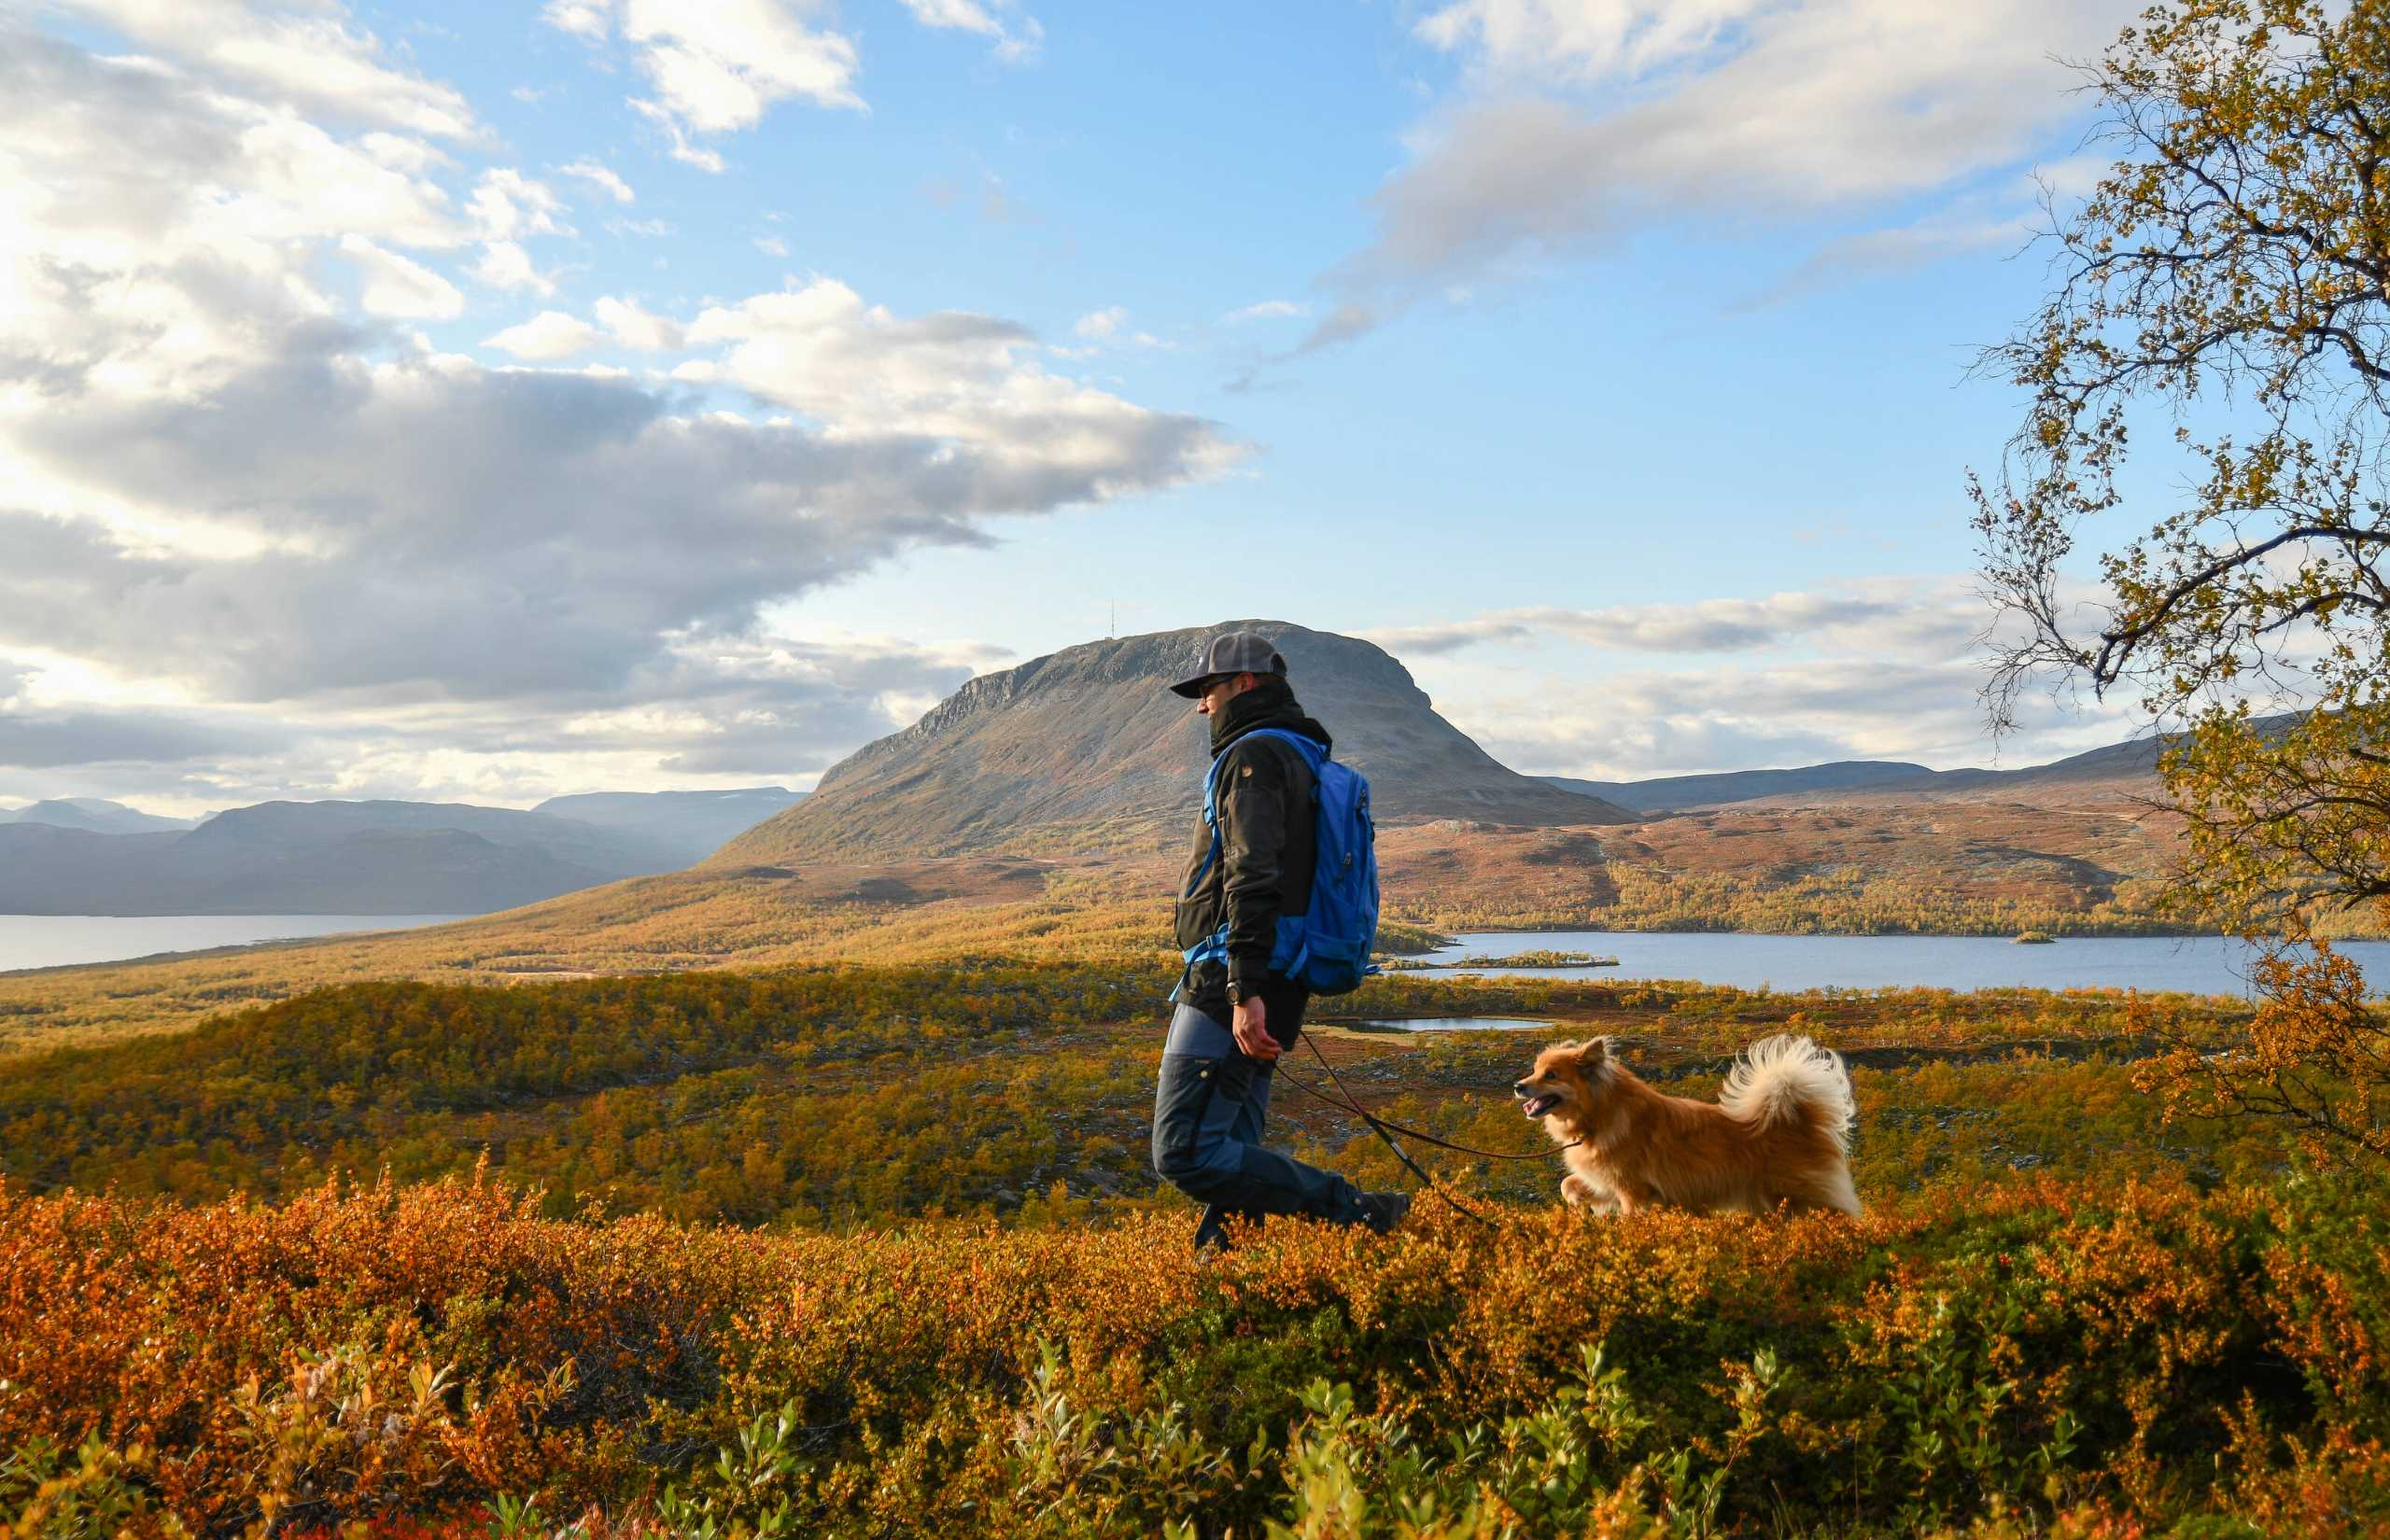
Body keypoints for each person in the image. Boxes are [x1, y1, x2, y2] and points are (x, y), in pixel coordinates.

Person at [1150, 630, 1410, 1251]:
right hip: (1278, 978)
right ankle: (1230, 1285)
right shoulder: (1302, 758)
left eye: (1208, 690)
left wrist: (1243, 989)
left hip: (1234, 982)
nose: (1200, 706)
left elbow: (1253, 874)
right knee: (1233, 1149)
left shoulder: (1255, 758)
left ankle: (1357, 1211)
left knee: (1185, 1150)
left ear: (1242, 684)